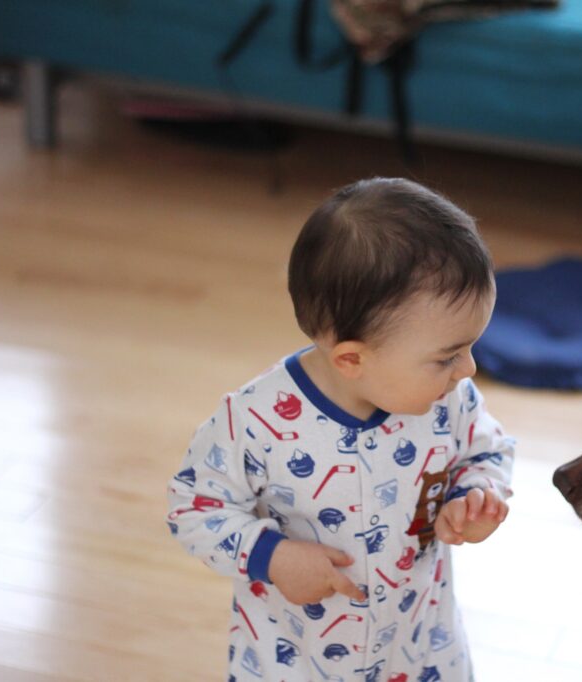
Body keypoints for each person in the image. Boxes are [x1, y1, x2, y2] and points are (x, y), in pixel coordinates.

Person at [166, 177, 514, 682]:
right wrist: (273, 556)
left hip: (417, 646)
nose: (469, 370)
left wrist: (476, 492)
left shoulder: (449, 399)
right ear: (352, 358)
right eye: (447, 357)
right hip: (295, 658)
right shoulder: (257, 423)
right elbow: (193, 509)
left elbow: (487, 449)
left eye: (467, 348)